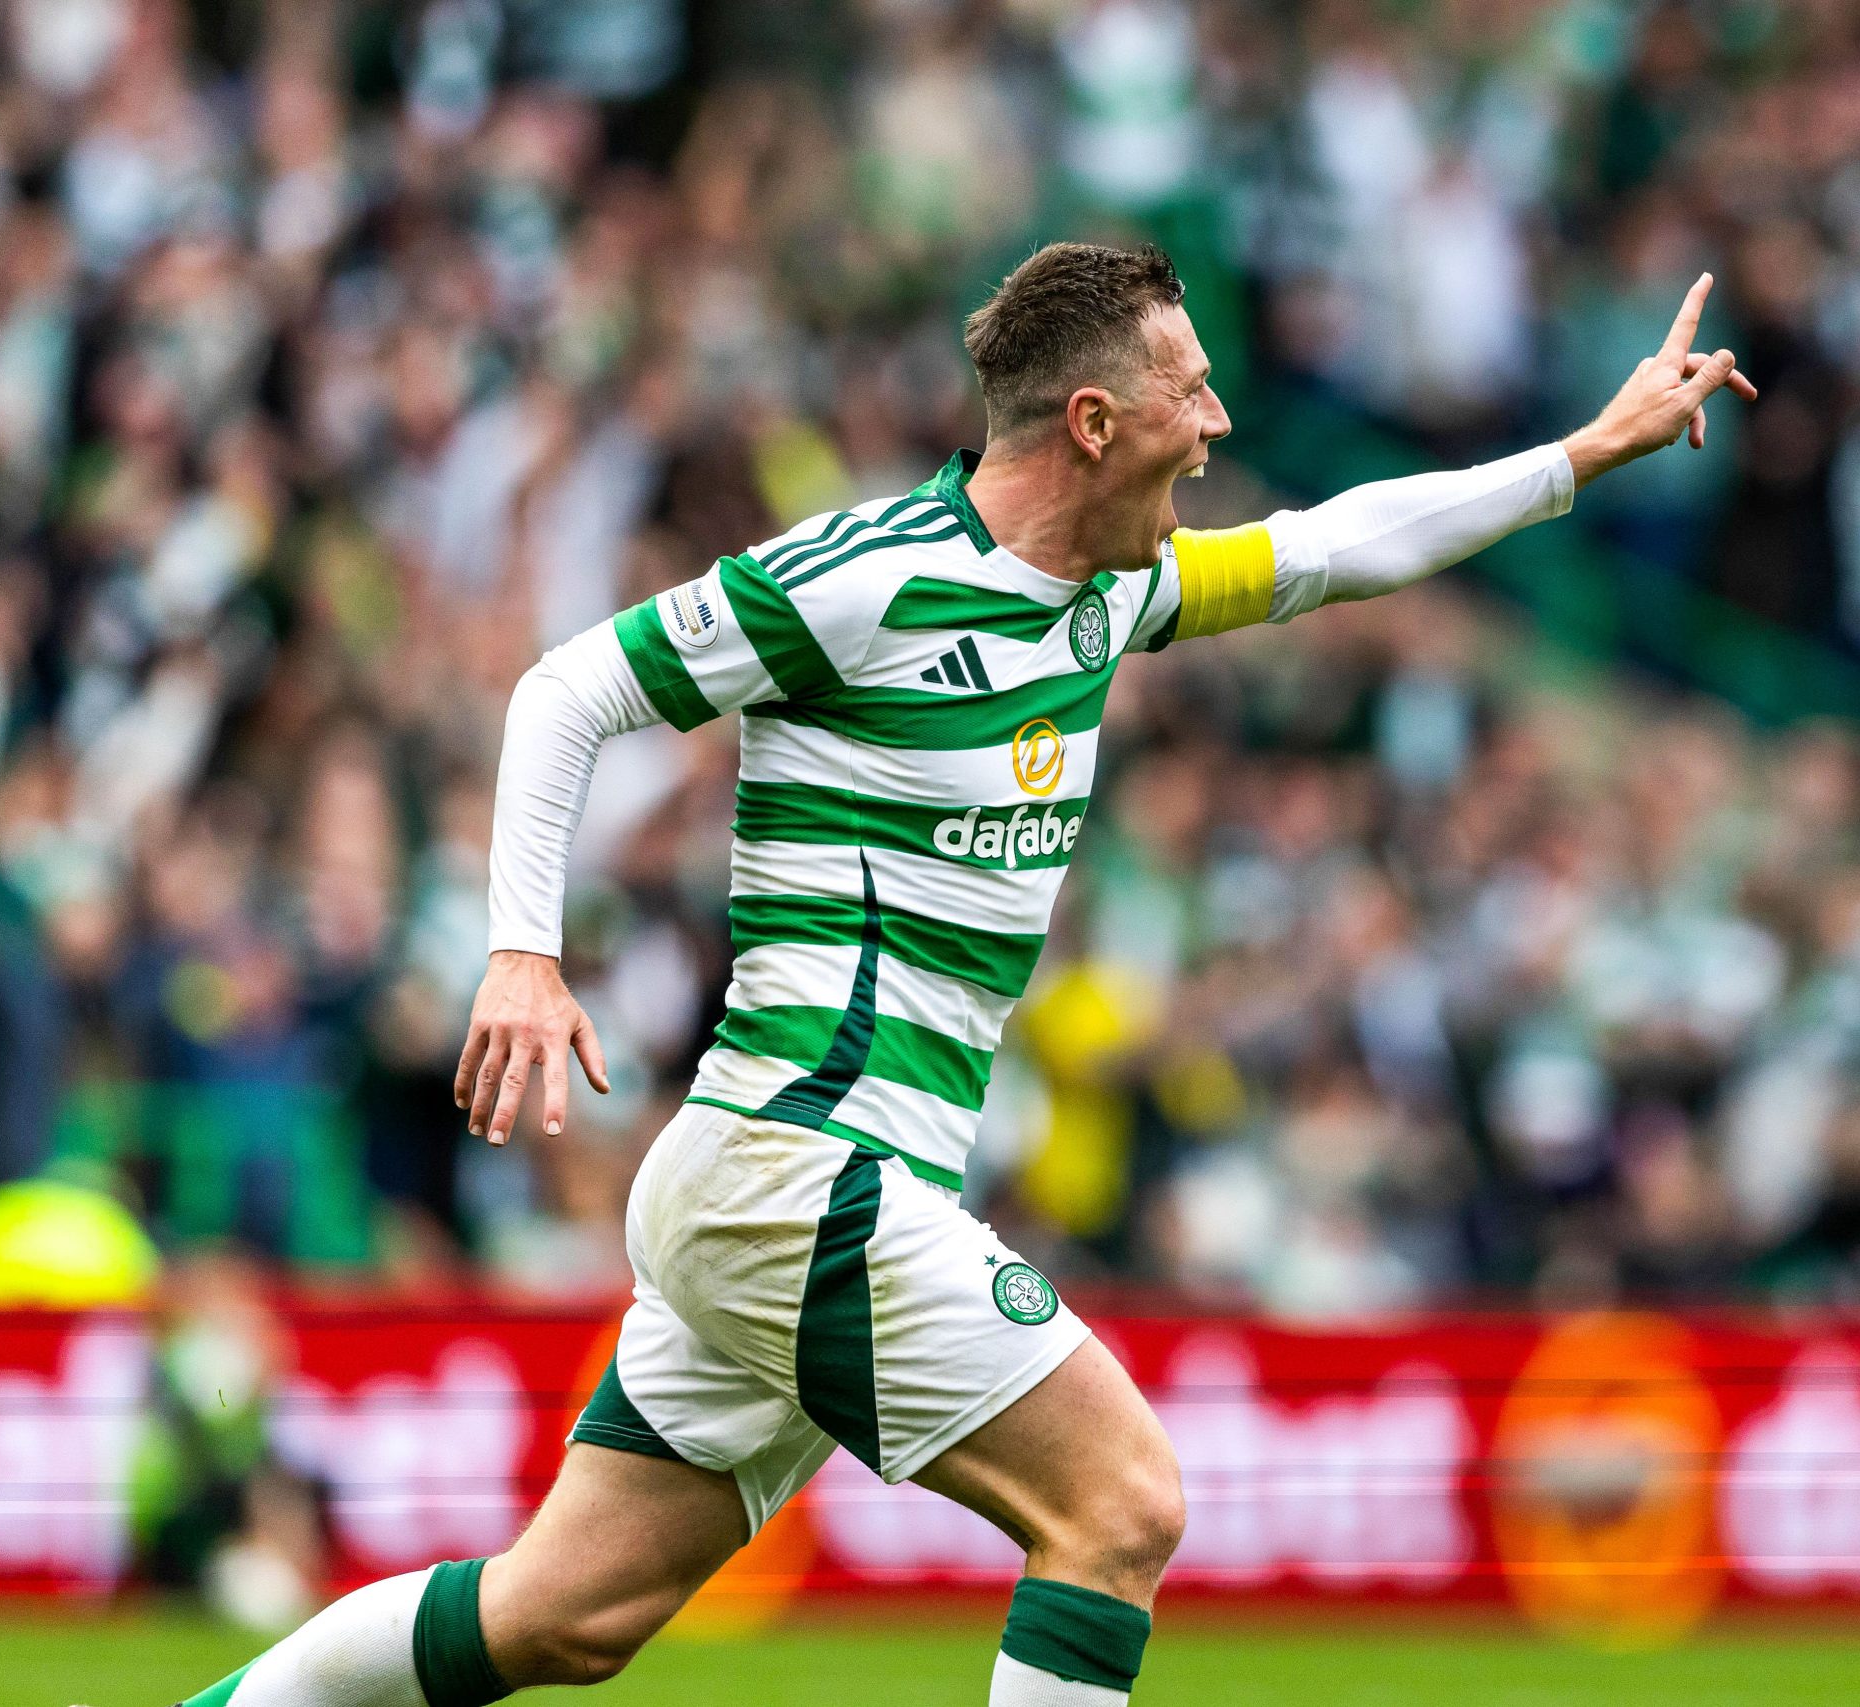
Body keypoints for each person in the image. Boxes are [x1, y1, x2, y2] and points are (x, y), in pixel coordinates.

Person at [172, 242, 1750, 1706]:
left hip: (795, 1181)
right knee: (1119, 1505)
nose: (1214, 421)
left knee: (558, 1619)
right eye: (1187, 390)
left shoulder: (1113, 594)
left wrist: (1581, 456)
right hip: (797, 1166)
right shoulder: (863, 581)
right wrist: (521, 949)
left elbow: (1336, 548)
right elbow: (566, 689)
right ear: (1089, 420)